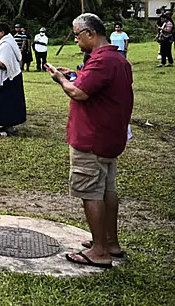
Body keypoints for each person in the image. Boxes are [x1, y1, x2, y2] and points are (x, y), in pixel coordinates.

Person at [45, 13, 133, 269]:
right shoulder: (117, 59)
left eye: (76, 35)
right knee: (107, 190)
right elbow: (94, 86)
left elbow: (79, 92)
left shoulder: (102, 61)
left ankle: (99, 251)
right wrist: (73, 74)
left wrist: (61, 79)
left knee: (90, 192)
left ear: (90, 33)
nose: (76, 41)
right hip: (109, 137)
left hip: (91, 139)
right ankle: (110, 242)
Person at [0, 23, 27, 134]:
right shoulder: (1, 42)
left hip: (8, 79)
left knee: (7, 103)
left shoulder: (5, 45)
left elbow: (3, 64)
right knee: (3, 102)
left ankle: (8, 125)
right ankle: (2, 124)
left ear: (2, 32)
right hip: (8, 78)